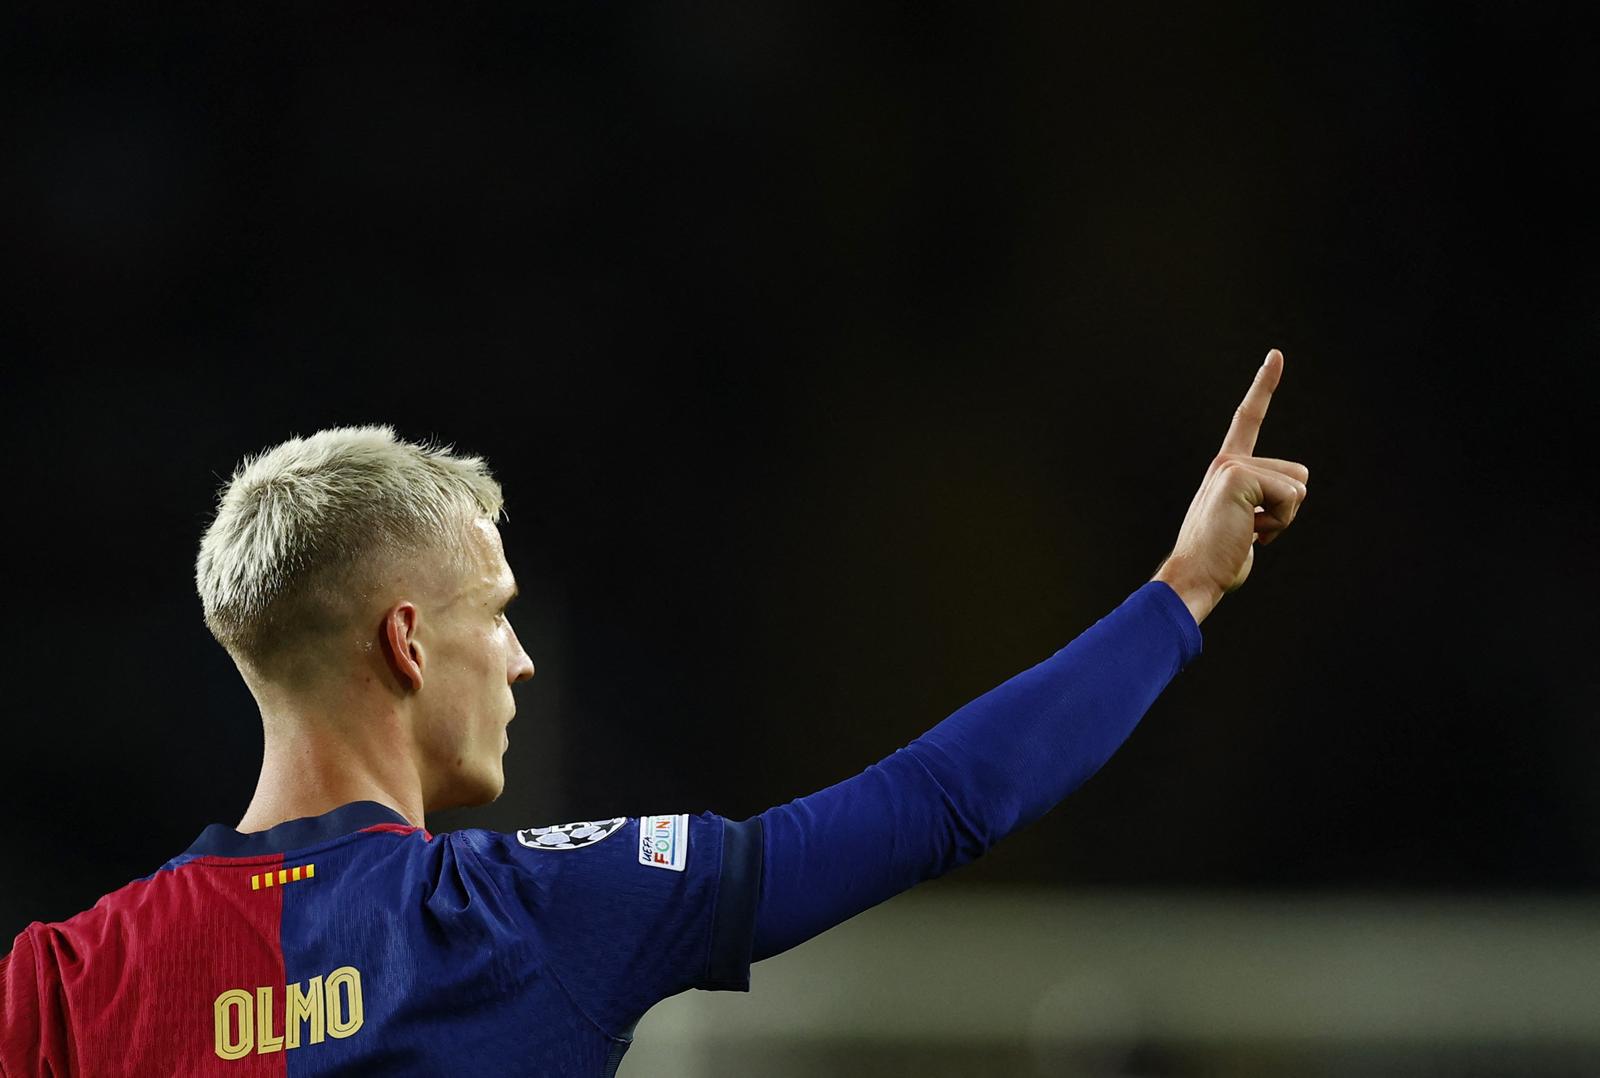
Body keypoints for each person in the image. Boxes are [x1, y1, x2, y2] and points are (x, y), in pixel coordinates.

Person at [0, 350, 1308, 1076]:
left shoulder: (66, 987)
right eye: (492, 612)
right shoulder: (531, 922)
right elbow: (937, 804)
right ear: (406, 640)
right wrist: (1182, 589)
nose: (518, 661)